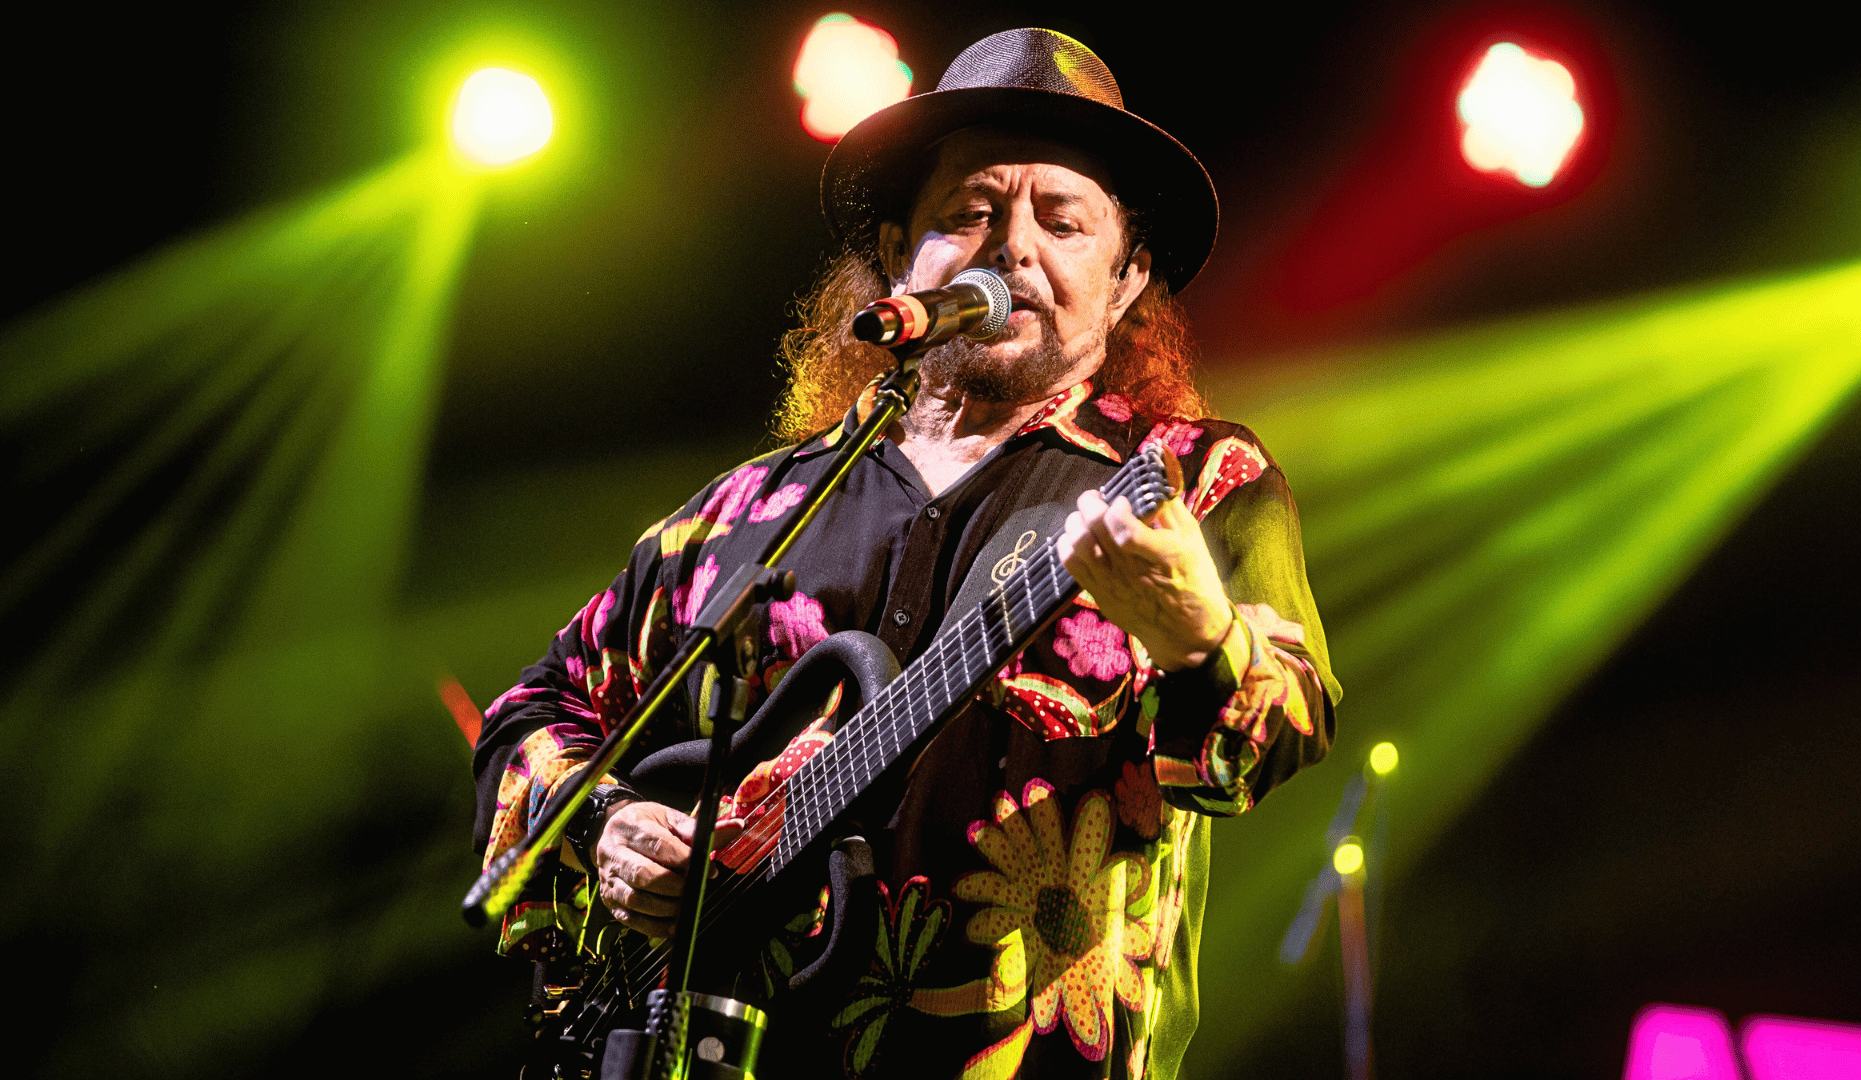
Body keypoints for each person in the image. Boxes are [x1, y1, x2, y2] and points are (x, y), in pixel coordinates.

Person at [473, 28, 1339, 1080]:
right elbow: (536, 708)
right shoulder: (749, 509)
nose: (1012, 249)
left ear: (1125, 279)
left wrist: (1204, 644)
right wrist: (612, 825)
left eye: (1063, 222)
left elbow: (1287, 726)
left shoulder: (1193, 479)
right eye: (970, 213)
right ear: (897, 254)